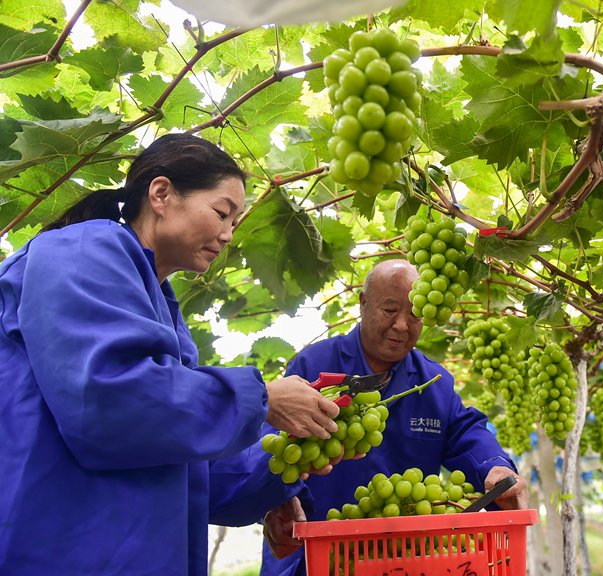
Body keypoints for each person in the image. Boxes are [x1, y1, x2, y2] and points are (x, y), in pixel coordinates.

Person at [0, 133, 342, 576]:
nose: (227, 235)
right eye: (222, 213)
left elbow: (190, 474)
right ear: (161, 194)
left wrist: (281, 469)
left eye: (235, 223)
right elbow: (112, 404)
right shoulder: (81, 251)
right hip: (56, 555)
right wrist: (264, 399)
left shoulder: (159, 305)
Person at [259, 259, 529, 576]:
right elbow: (276, 450)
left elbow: (465, 431)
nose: (402, 324)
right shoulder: (314, 365)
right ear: (363, 303)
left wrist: (494, 466)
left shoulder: (433, 382)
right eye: (389, 310)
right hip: (316, 555)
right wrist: (280, 501)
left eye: (415, 313)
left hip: (402, 560)